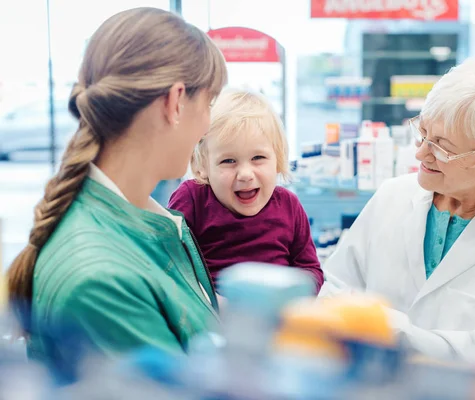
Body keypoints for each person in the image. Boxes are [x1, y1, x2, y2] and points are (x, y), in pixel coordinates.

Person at [319, 53, 475, 361]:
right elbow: (334, 290)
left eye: (442, 147)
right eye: (423, 134)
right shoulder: (391, 196)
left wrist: (389, 330)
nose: (421, 154)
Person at [6, 7, 227, 362]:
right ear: (174, 103)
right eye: (209, 103)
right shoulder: (101, 282)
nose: (207, 125)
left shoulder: (140, 224)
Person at [168, 89, 323, 293]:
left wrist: (290, 300)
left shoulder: (288, 205)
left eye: (258, 158)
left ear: (277, 159)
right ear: (203, 166)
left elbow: (310, 269)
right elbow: (170, 266)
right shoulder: (193, 198)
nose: (245, 174)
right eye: (228, 161)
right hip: (213, 317)